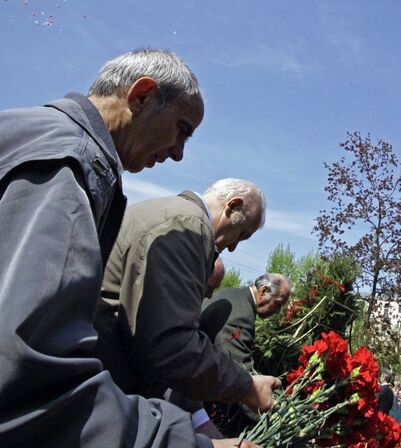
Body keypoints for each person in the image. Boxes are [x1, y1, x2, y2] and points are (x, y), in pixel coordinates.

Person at [0, 49, 255, 446]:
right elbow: (28, 377)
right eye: (182, 129)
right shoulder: (68, 166)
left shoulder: (34, 133)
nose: (179, 152)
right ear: (141, 96)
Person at [95, 178, 280, 432]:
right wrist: (246, 386)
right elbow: (172, 345)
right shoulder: (189, 226)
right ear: (232, 206)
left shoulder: (162, 211)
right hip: (108, 397)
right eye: (241, 234)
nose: (235, 247)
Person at [202, 273, 292, 436]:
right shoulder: (242, 316)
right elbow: (240, 374)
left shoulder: (233, 294)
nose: (278, 311)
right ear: (264, 290)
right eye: (278, 304)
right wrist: (278, 423)